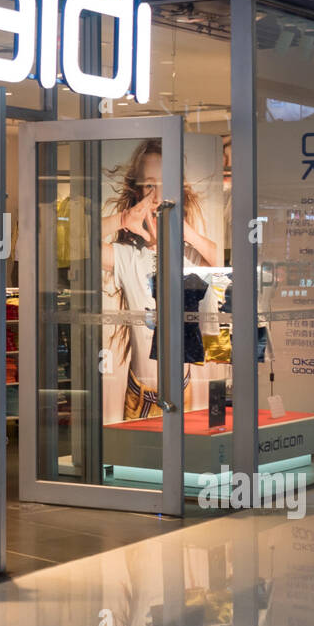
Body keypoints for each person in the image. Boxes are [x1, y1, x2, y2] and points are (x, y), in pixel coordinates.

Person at [99, 139, 217, 422]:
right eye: (150, 184)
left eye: (166, 183)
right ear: (138, 190)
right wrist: (124, 218)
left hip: (183, 388)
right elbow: (80, 245)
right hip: (141, 395)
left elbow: (223, 264)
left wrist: (186, 232)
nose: (158, 195)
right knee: (139, 465)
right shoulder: (128, 255)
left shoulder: (188, 253)